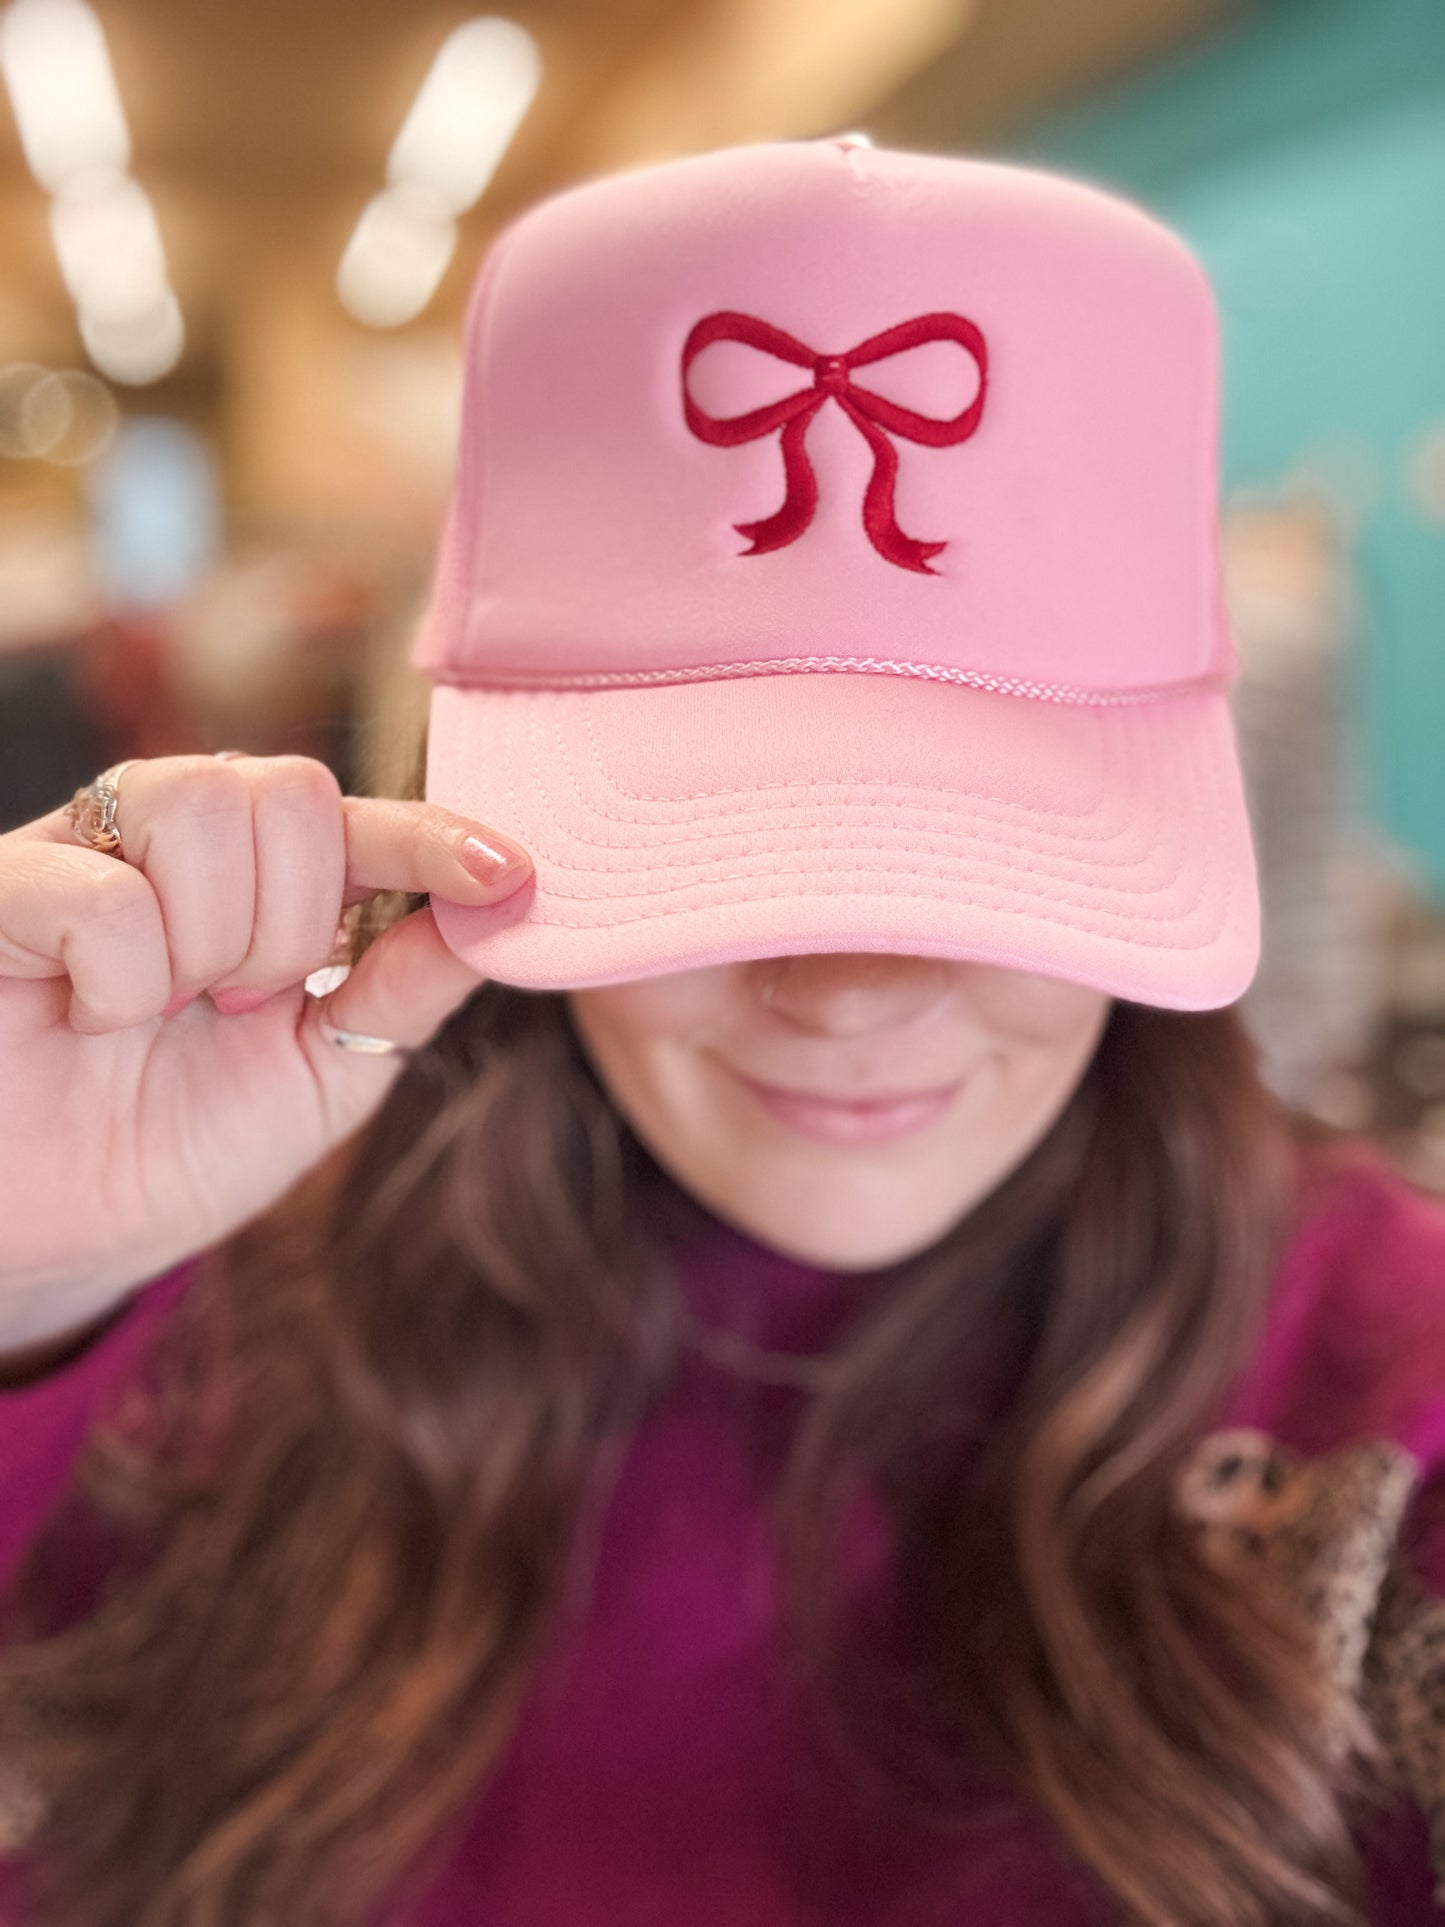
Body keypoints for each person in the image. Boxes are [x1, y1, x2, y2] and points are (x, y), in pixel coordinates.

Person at [0, 135, 1442, 1927]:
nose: (845, 990)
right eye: (712, 860)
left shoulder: (1387, 1393)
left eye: (986, 861)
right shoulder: (216, 1324)